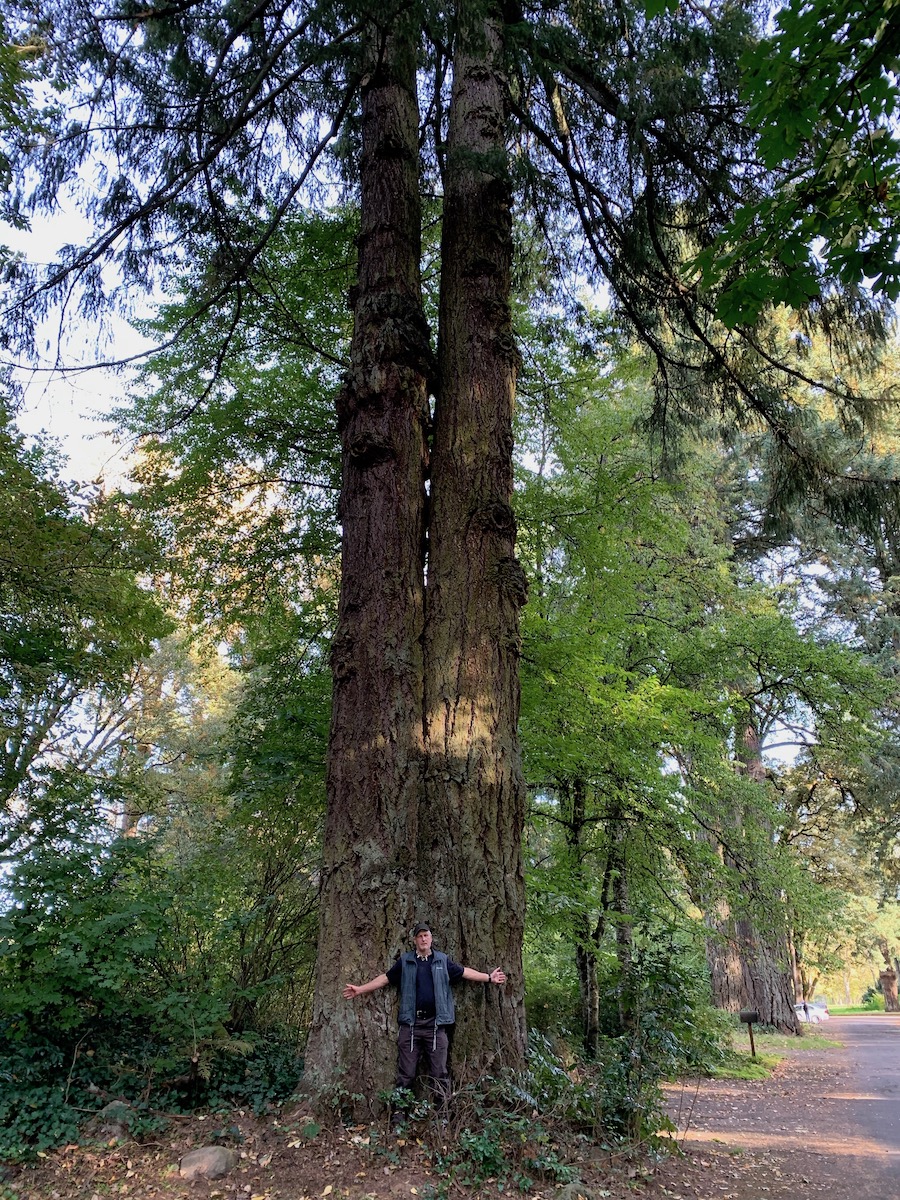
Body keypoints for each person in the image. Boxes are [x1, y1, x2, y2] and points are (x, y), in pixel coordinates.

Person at [343, 922, 507, 1118]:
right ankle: (399, 1116)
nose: (423, 939)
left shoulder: (441, 961)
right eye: (419, 936)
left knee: (439, 1073)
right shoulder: (406, 962)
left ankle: (442, 1116)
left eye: (426, 935)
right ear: (414, 940)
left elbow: (464, 972)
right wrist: (360, 989)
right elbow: (385, 978)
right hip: (411, 1026)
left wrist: (488, 978)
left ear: (431, 938)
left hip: (436, 1026)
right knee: (406, 1073)